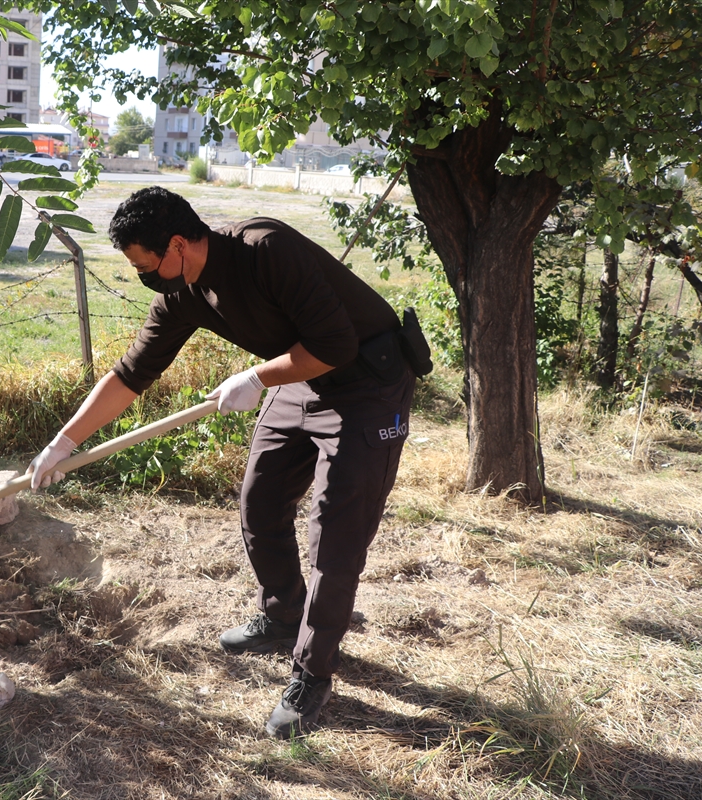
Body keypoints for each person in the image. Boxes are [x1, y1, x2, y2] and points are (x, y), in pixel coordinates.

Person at [27, 187, 421, 739]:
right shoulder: (181, 292)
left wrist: (258, 377)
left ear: (179, 244)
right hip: (304, 373)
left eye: (146, 265)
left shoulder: (265, 250)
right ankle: (284, 613)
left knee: (336, 534)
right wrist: (63, 443)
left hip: (365, 380)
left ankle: (312, 672)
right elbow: (131, 374)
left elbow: (335, 344)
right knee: (260, 501)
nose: (145, 277)